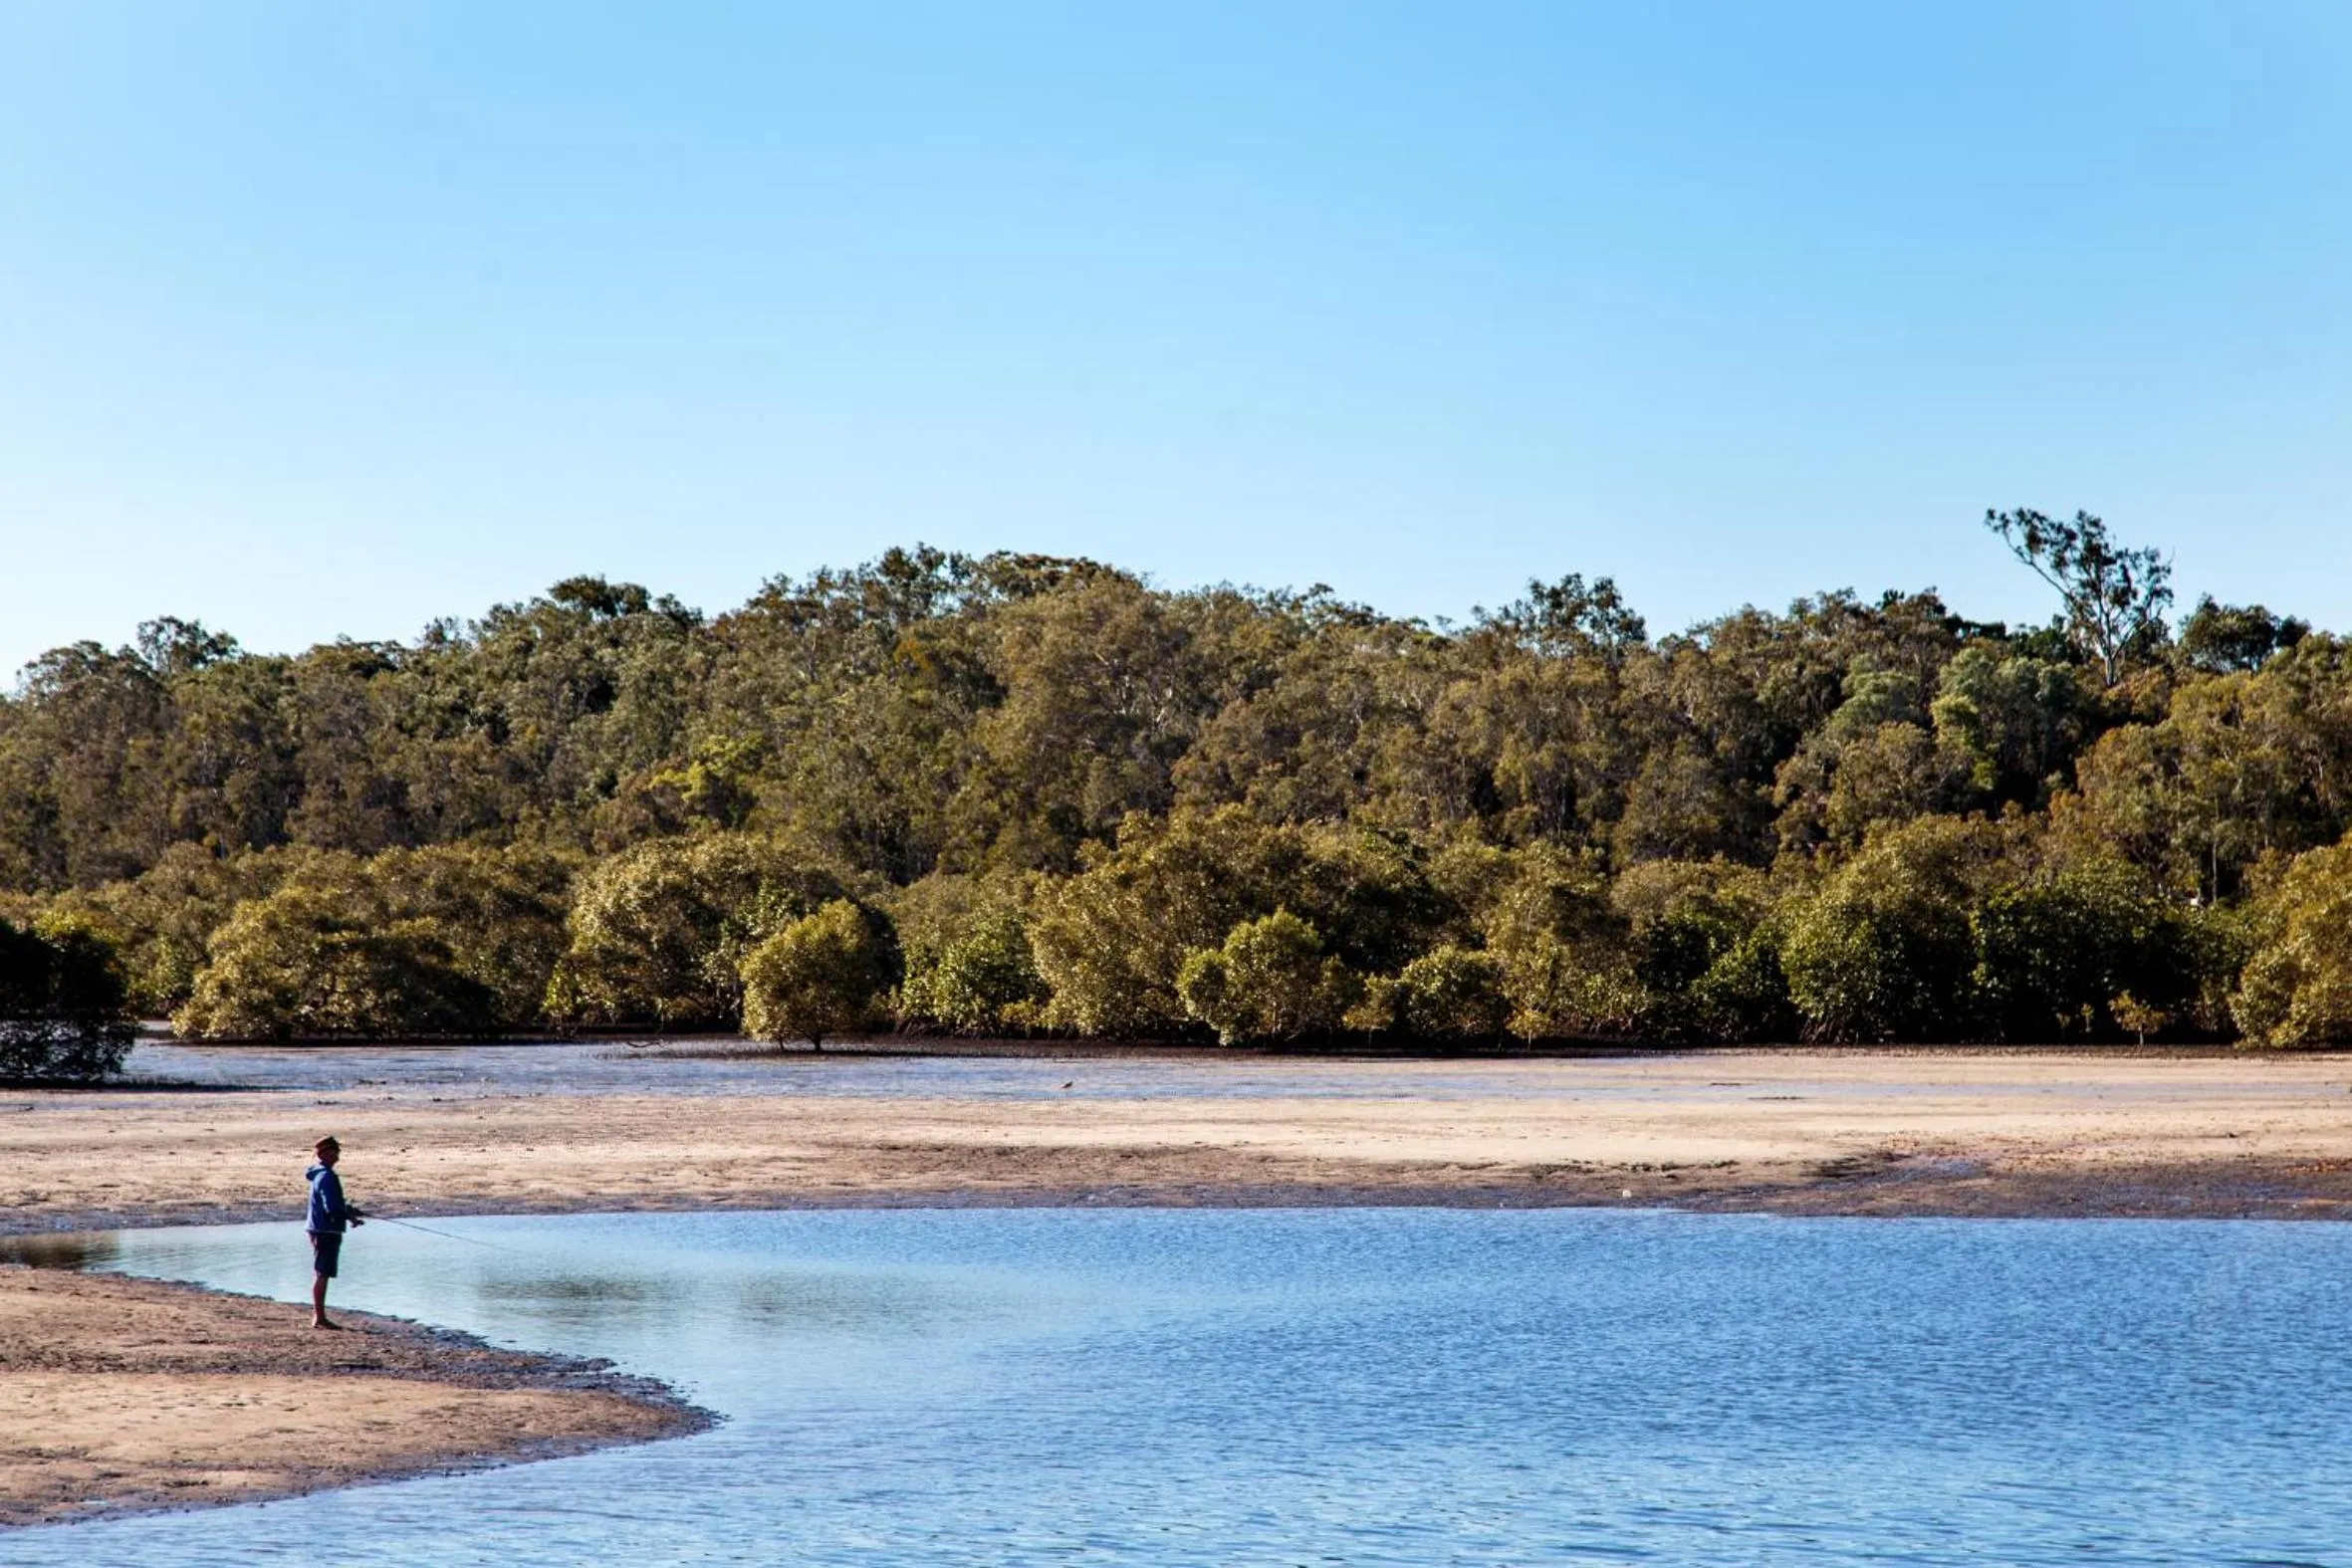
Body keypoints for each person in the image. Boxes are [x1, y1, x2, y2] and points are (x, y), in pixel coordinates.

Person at [305, 1136, 365, 1329]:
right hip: (325, 1229)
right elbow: (331, 1207)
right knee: (322, 1272)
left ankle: (319, 1316)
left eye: (338, 1150)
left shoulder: (320, 1174)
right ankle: (319, 1318)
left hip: (320, 1227)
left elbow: (332, 1204)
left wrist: (348, 1210)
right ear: (324, 1154)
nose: (338, 1155)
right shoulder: (327, 1176)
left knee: (322, 1272)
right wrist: (349, 1216)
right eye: (334, 1151)